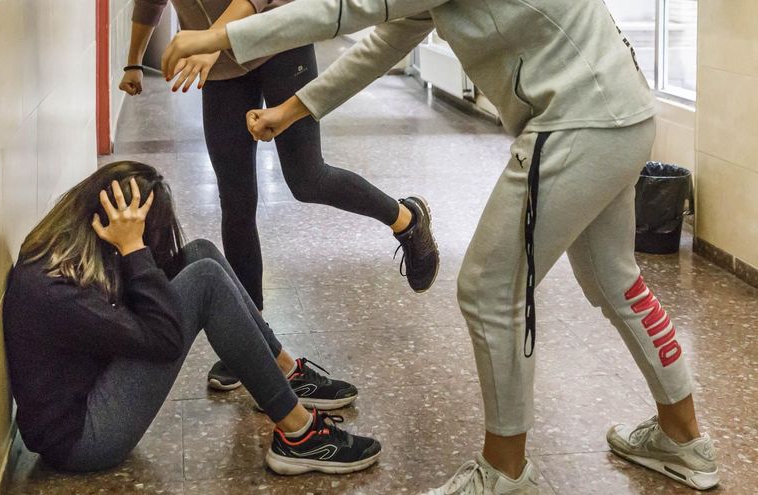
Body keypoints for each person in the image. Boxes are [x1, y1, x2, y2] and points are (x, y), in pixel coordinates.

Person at [158, 1, 720, 493]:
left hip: (576, 125)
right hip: (619, 114)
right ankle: (682, 437)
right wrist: (294, 108)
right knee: (615, 280)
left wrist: (218, 37)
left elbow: (343, 9)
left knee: (488, 289)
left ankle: (504, 473)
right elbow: (386, 39)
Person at [118, 0, 441, 391]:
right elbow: (149, 2)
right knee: (235, 200)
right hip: (220, 65)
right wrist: (134, 60)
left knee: (307, 179)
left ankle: (406, 219)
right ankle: (250, 338)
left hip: (279, 40)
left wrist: (210, 40)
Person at [2, 161, 381, 475]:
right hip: (84, 437)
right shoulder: (57, 292)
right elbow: (164, 339)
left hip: (91, 385)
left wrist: (136, 252)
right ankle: (300, 436)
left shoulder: (65, 253)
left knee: (199, 253)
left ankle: (283, 371)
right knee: (205, 282)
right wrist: (134, 248)